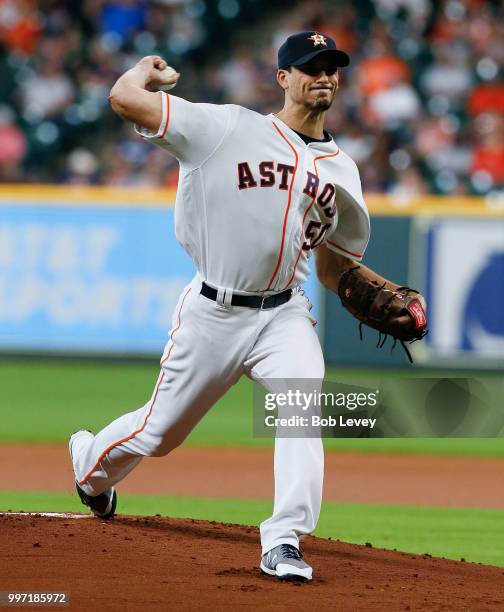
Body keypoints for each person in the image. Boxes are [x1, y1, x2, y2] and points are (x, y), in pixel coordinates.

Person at [69, 31, 427, 581]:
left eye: (332, 67)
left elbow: (335, 268)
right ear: (283, 78)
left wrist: (382, 292)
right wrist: (143, 69)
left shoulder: (343, 172)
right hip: (212, 312)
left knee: (303, 408)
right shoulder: (227, 128)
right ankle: (90, 467)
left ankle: (284, 540)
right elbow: (123, 99)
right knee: (158, 435)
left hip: (285, 315)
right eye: (310, 67)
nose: (324, 76)